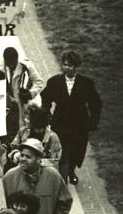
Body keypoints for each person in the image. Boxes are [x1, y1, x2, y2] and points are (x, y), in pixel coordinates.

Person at [40, 51, 103, 185]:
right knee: (62, 149)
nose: (68, 68)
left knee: (77, 149)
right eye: (65, 65)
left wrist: (93, 121)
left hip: (79, 123)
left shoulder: (86, 83)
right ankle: (60, 175)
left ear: (77, 67)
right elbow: (45, 98)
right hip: (60, 122)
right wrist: (47, 115)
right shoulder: (54, 82)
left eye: (71, 66)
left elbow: (95, 103)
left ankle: (71, 171)